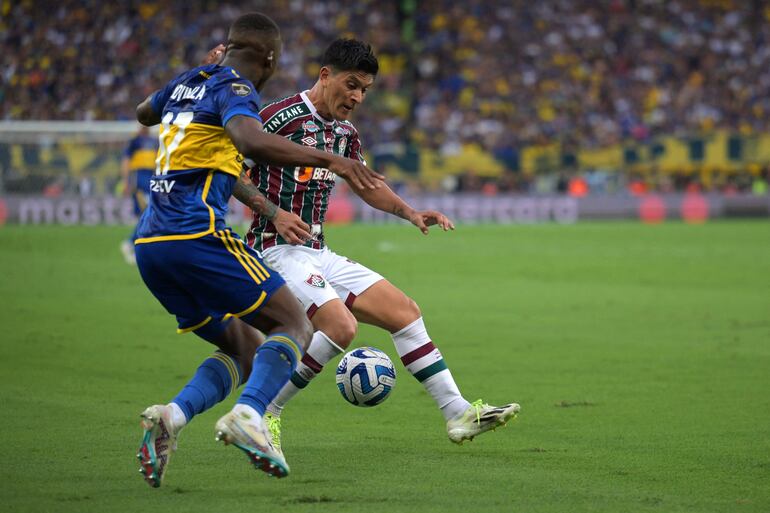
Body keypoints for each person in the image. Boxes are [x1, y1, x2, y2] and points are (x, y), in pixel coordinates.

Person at [132, 15, 384, 487]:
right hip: (197, 235)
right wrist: (333, 159)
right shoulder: (237, 88)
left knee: (245, 345)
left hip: (151, 245)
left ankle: (171, 416)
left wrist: (198, 75)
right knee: (294, 324)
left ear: (225, 48)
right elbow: (251, 141)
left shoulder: (192, 80)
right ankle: (250, 414)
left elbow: (145, 112)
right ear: (268, 59)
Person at [238, 39, 521, 455]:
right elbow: (228, 174)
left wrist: (410, 212)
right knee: (340, 327)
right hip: (275, 249)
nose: (356, 96)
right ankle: (266, 413)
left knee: (405, 314)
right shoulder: (278, 118)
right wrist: (273, 211)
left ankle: (457, 412)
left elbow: (366, 186)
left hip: (317, 251)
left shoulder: (346, 134)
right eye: (351, 84)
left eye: (365, 89)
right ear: (325, 75)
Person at [119, 125, 157, 264]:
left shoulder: (155, 141)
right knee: (149, 211)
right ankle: (131, 243)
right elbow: (126, 161)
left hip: (151, 179)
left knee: (149, 213)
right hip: (140, 180)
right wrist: (126, 181)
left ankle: (133, 244)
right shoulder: (134, 141)